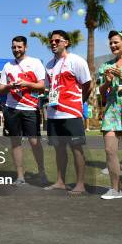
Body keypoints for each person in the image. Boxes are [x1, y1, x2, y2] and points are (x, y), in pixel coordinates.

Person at [44, 30, 91, 195]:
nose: (53, 43)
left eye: (57, 40)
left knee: (76, 148)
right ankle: (60, 182)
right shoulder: (49, 65)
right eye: (51, 41)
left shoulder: (76, 61)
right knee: (58, 148)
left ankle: (80, 184)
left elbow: (87, 84)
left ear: (66, 42)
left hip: (71, 113)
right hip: (53, 113)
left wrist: (79, 102)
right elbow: (49, 88)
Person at [0, 35, 48, 186]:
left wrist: (25, 83)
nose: (16, 50)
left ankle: (41, 172)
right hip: (11, 108)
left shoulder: (35, 62)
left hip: (30, 108)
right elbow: (1, 89)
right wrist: (10, 86)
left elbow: (41, 86)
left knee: (34, 142)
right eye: (14, 47)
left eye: (19, 47)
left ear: (25, 47)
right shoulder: (7, 65)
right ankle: (20, 176)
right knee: (15, 142)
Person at [97, 30, 122, 200]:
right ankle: (115, 190)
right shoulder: (106, 66)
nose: (112, 45)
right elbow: (101, 93)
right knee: (110, 150)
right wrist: (108, 81)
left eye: (116, 42)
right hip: (112, 111)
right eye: (110, 43)